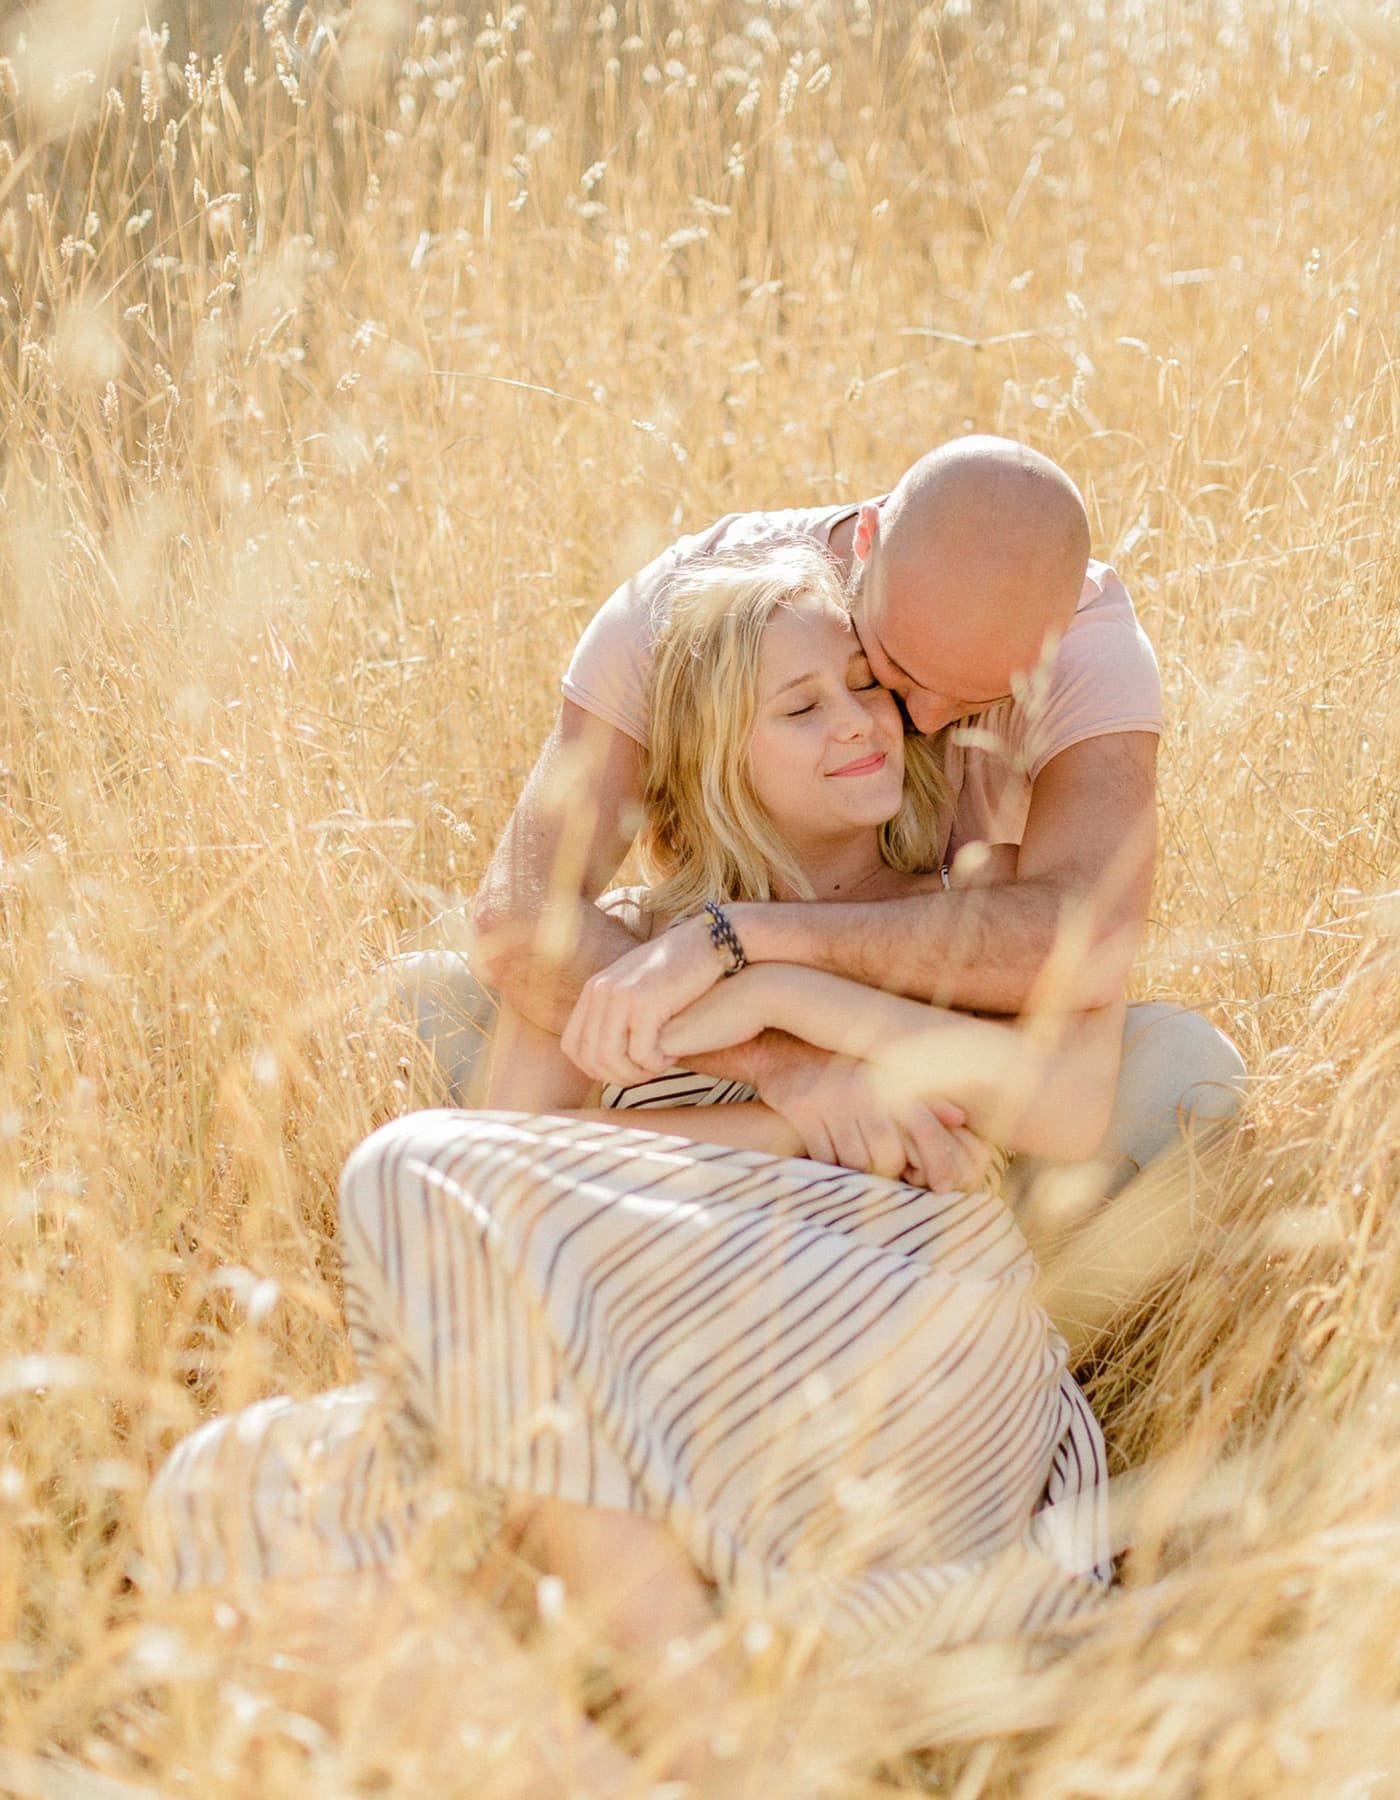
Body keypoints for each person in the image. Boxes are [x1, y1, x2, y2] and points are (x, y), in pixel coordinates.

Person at [143, 543, 1114, 1782]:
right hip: (655, 1375)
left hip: (906, 1333)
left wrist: (774, 983)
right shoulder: (627, 953)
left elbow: (1040, 1113)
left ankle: (698, 1737)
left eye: (863, 687)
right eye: (800, 707)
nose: (861, 723)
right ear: (713, 754)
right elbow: (502, 1166)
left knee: (396, 1165)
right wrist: (788, 1103)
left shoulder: (949, 912)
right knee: (222, 1483)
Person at [403, 434, 1245, 1344]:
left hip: (914, 1229)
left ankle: (1063, 1343)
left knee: (1183, 1072)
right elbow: (521, 929)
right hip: (685, 1268)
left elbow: (1088, 960)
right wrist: (793, 1078)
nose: (913, 723)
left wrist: (754, 957)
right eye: (891, 675)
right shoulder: (677, 613)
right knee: (418, 1022)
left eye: (970, 698)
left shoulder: (1064, 706)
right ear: (869, 547)